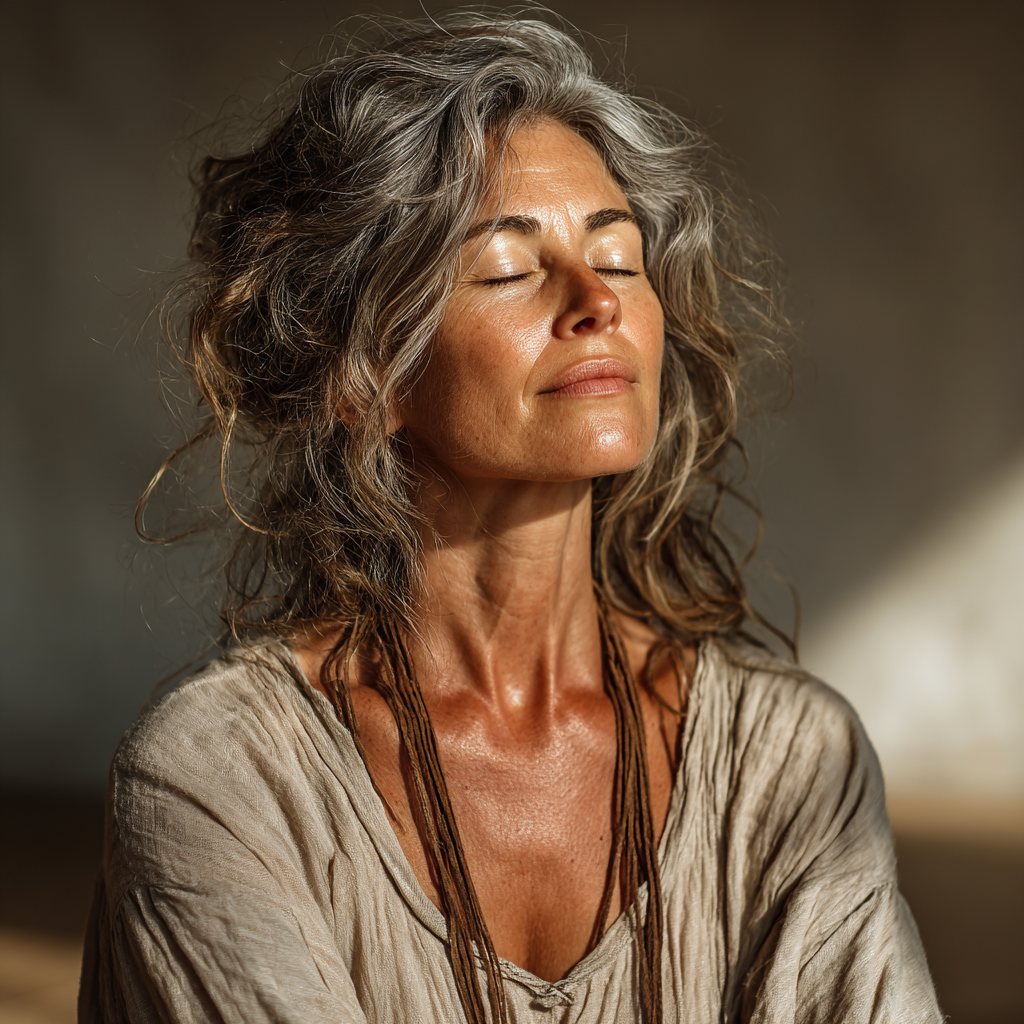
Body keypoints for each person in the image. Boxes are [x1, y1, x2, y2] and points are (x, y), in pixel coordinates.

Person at [79, 13, 941, 1023]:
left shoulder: (792, 762)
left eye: (618, 261)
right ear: (358, 373)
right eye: (507, 270)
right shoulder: (224, 778)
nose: (595, 303)